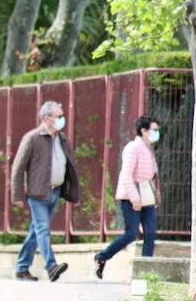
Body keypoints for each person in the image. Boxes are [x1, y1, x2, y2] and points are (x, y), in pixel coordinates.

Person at [8, 101, 79, 282]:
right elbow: (18, 167)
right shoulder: (32, 138)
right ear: (47, 118)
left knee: (36, 231)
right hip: (37, 193)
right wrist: (16, 195)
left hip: (55, 192)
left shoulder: (62, 139)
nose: (63, 119)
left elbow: (70, 166)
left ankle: (22, 268)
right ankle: (51, 266)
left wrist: (73, 192)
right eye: (59, 116)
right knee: (43, 228)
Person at [95, 116, 162, 279]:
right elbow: (126, 175)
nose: (157, 133)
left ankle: (145, 270)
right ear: (143, 131)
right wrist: (135, 198)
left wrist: (156, 194)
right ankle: (102, 257)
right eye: (154, 129)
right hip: (131, 197)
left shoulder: (149, 149)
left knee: (150, 232)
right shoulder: (133, 148)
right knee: (131, 233)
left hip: (147, 196)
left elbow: (152, 176)